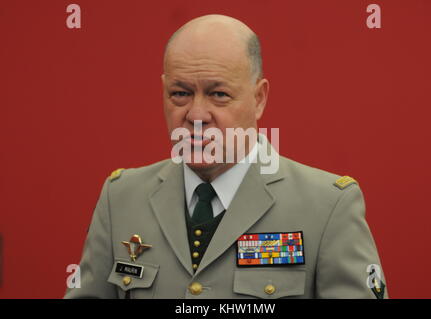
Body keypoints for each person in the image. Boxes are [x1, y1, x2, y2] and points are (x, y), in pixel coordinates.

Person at [65, 14, 388, 299]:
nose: (196, 114)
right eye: (180, 93)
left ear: (259, 99)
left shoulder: (326, 207)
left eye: (219, 94)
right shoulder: (121, 198)